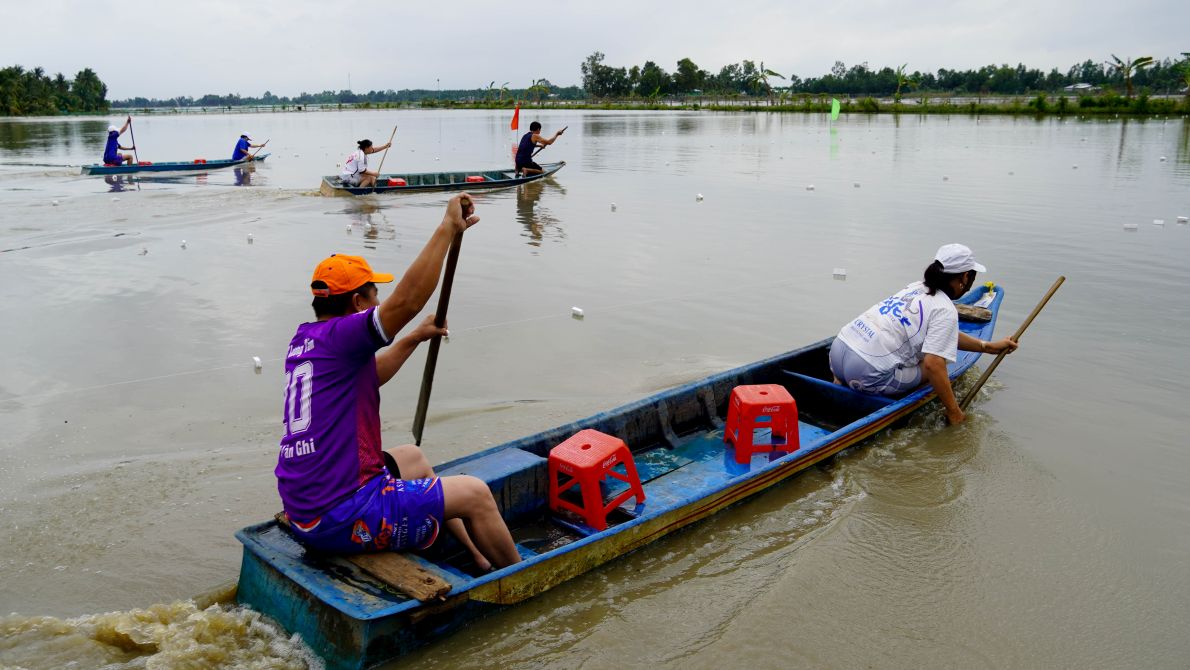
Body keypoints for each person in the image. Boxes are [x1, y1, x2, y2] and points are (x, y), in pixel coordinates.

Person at [276, 194, 520, 571]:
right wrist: (447, 228)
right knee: (476, 493)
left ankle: (478, 557)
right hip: (343, 515)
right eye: (375, 296)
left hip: (307, 509)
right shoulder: (345, 335)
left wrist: (415, 337)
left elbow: (369, 376)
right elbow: (408, 301)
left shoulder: (307, 340)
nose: (380, 302)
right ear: (358, 303)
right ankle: (517, 577)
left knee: (412, 456)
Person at [829, 243, 1019, 425]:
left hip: (838, 353)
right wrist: (954, 412)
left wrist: (985, 346)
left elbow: (945, 334)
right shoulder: (944, 309)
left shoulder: (916, 287)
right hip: (866, 372)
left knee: (930, 354)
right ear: (965, 277)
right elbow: (933, 365)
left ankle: (841, 382)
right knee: (939, 363)